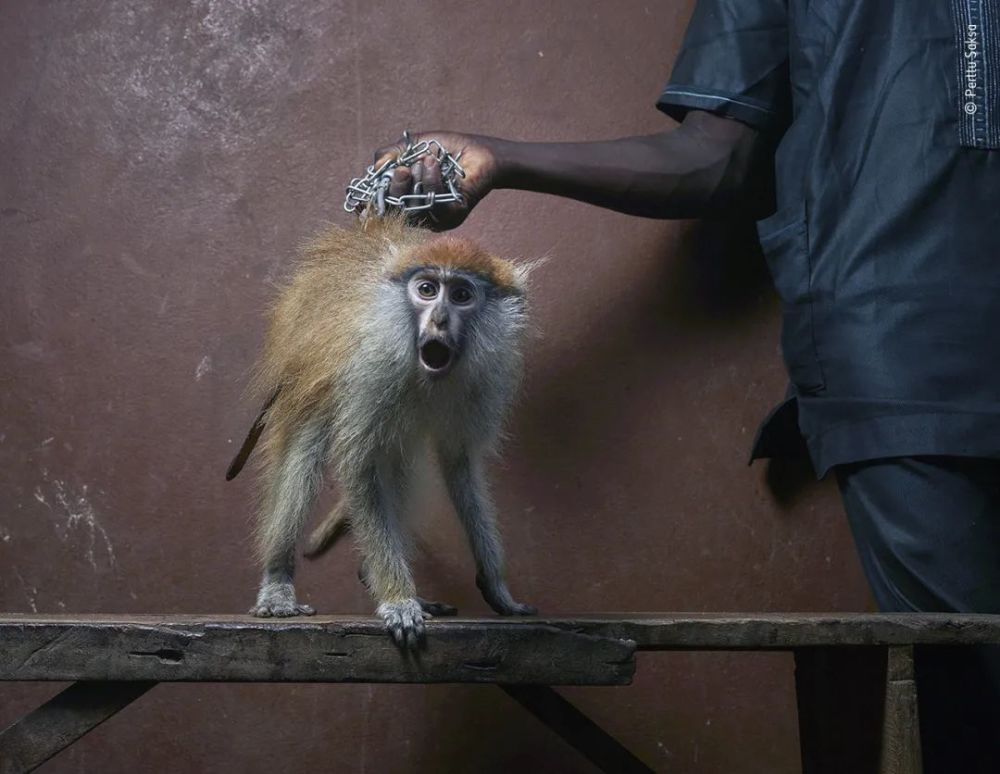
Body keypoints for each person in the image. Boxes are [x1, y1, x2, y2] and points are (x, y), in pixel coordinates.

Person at [368, 1, 1000, 771]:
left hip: (895, 346)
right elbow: (714, 156)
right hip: (903, 355)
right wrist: (500, 159)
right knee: (973, 702)